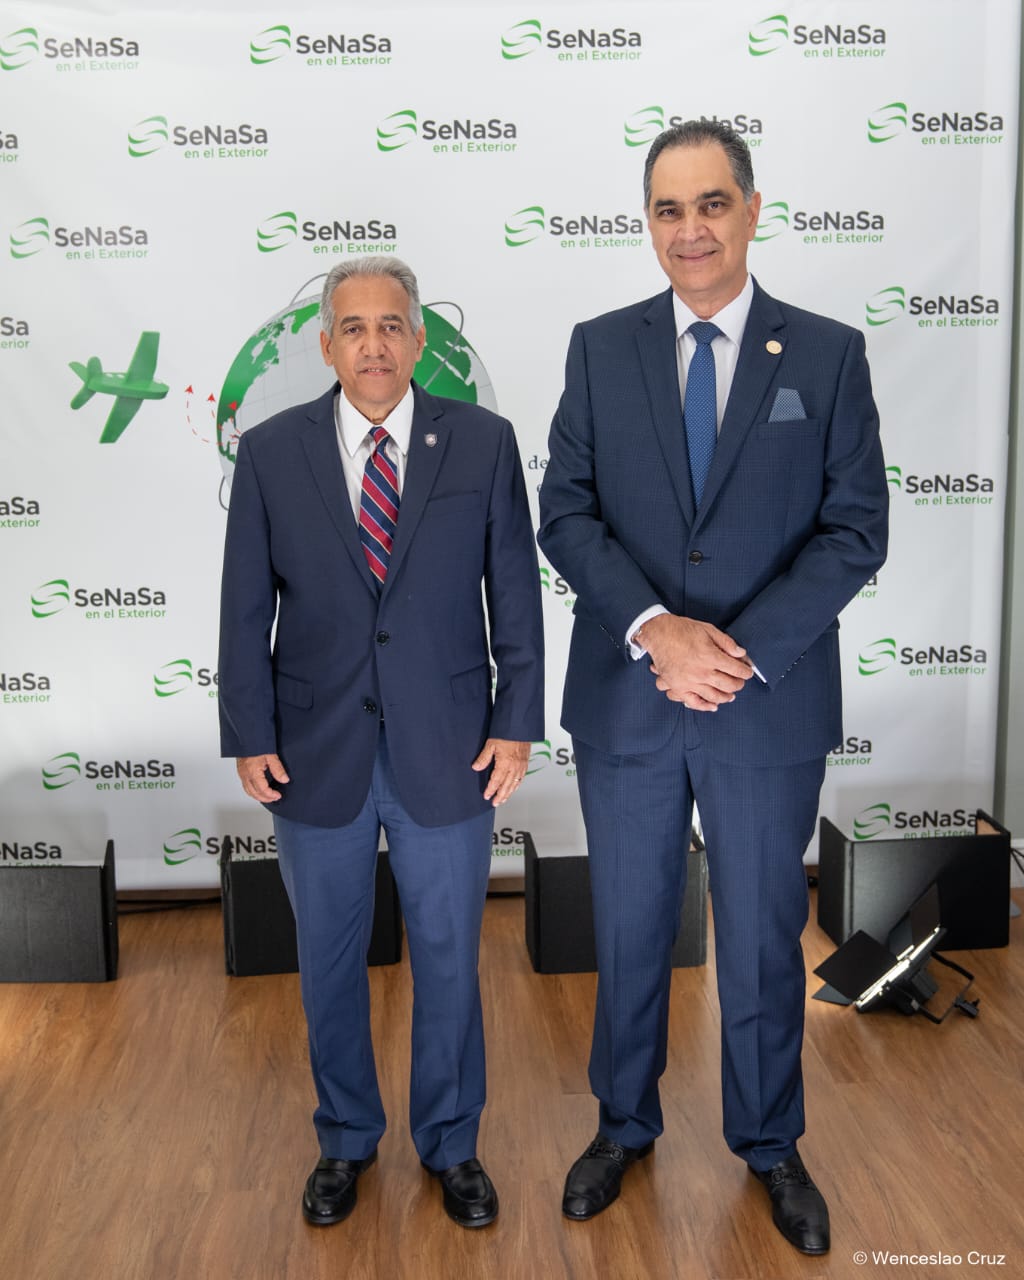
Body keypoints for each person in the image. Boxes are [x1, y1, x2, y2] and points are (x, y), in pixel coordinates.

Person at [537, 120, 888, 1255]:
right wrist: (656, 632)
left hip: (764, 705)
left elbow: (855, 529)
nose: (689, 230)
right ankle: (621, 1125)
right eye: (667, 209)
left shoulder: (827, 354)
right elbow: (566, 513)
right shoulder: (600, 348)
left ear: (751, 209)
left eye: (710, 204)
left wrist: (731, 651)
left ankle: (771, 1143)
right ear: (648, 223)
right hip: (630, 699)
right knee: (631, 926)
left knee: (761, 936)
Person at [219, 257, 544, 1230]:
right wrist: (249, 731)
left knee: (448, 960)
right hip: (313, 750)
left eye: (391, 325)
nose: (374, 344)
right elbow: (245, 610)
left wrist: (516, 720)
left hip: (451, 747)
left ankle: (452, 1143)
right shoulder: (270, 451)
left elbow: (515, 596)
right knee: (328, 962)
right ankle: (345, 1139)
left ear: (418, 340)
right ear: (326, 345)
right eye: (354, 328)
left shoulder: (482, 442)